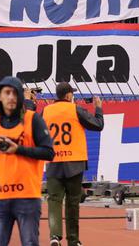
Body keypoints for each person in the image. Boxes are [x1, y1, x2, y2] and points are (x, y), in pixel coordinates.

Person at [0, 77, 53, 246]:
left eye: (15, 93)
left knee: (30, 243)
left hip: (27, 196)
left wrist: (18, 149)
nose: (11, 97)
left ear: (21, 96)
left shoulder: (33, 119)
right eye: (7, 93)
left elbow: (49, 152)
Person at [42, 83, 104, 246]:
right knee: (72, 202)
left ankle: (54, 236)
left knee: (54, 200)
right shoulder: (75, 109)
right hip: (74, 162)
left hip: (54, 161)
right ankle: (73, 240)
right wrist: (98, 108)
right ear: (68, 96)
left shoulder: (46, 111)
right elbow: (98, 125)